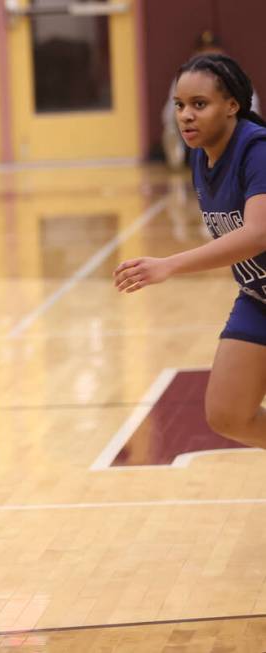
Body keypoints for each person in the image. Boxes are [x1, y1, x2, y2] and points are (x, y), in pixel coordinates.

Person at [114, 54, 266, 449]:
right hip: (259, 296)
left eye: (200, 104)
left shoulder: (257, 151)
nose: (186, 116)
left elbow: (257, 234)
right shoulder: (201, 157)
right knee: (228, 414)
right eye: (180, 105)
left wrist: (169, 265)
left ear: (232, 105)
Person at [162, 32, 259, 169]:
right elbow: (169, 115)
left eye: (200, 104)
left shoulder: (233, 77)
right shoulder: (184, 78)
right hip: (197, 146)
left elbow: (253, 109)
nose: (185, 115)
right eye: (204, 52)